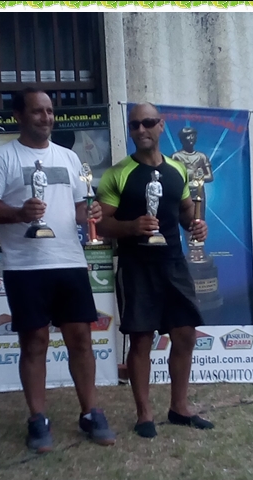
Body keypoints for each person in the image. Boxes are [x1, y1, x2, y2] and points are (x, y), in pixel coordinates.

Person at [0, 88, 116, 453]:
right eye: (37, 111)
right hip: (25, 266)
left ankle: (91, 413)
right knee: (34, 343)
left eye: (50, 111)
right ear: (19, 116)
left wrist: (92, 212)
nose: (46, 117)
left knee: (81, 340)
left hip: (69, 261)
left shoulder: (69, 158)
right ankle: (38, 418)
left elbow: (78, 208)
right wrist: (18, 214)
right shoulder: (2, 157)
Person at [96, 103, 214, 438]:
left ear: (161, 125)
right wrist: (132, 226)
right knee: (142, 339)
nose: (141, 130)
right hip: (136, 266)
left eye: (148, 123)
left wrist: (196, 225)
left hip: (173, 263)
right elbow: (101, 225)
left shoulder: (177, 169)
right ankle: (144, 414)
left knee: (185, 333)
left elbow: (186, 211)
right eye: (134, 125)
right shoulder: (118, 173)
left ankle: (179, 408)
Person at [171, 126, 213, 216]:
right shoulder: (176, 157)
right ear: (182, 139)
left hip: (198, 192)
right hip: (183, 193)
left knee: (199, 218)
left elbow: (210, 177)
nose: (191, 138)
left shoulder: (202, 156)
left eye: (193, 136)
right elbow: (171, 177)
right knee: (184, 218)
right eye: (187, 136)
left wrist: (197, 177)